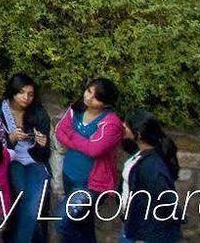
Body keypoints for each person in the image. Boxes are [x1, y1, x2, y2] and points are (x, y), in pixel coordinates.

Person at [55, 77, 123, 243]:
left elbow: (95, 150)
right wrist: (83, 141)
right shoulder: (76, 109)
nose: (89, 97)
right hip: (69, 175)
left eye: (96, 97)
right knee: (82, 223)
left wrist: (72, 134)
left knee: (62, 221)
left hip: (91, 185)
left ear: (106, 103)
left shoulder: (111, 123)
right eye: (88, 91)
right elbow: (59, 132)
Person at [2, 72, 52, 243]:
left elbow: (45, 155)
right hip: (11, 160)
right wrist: (11, 139)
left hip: (34, 161)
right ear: (12, 91)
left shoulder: (38, 113)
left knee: (33, 203)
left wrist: (42, 144)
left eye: (30, 94)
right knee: (22, 196)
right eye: (22, 92)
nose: (26, 98)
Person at [120, 112, 182, 243]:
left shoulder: (152, 167)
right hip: (133, 224)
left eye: (126, 125)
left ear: (139, 134)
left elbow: (165, 200)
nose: (122, 126)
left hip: (146, 231)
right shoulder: (141, 152)